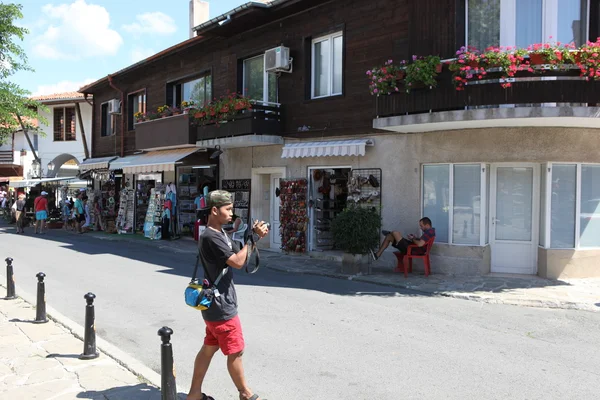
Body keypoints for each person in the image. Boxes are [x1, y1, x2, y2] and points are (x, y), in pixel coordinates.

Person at [187, 190, 269, 400]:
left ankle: (194, 394)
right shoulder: (211, 237)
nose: (232, 213)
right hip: (222, 307)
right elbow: (239, 262)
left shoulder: (219, 233)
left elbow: (238, 253)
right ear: (214, 210)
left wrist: (251, 236)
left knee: (208, 349)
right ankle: (245, 394)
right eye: (228, 209)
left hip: (214, 305)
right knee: (236, 352)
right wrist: (254, 239)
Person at [370, 217, 436, 261]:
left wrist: (412, 239)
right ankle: (377, 255)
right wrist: (415, 238)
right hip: (412, 247)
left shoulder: (429, 232)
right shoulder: (430, 232)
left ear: (427, 225)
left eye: (421, 226)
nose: (421, 228)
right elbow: (422, 242)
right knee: (388, 237)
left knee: (395, 233)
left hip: (411, 249)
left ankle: (392, 233)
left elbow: (420, 244)